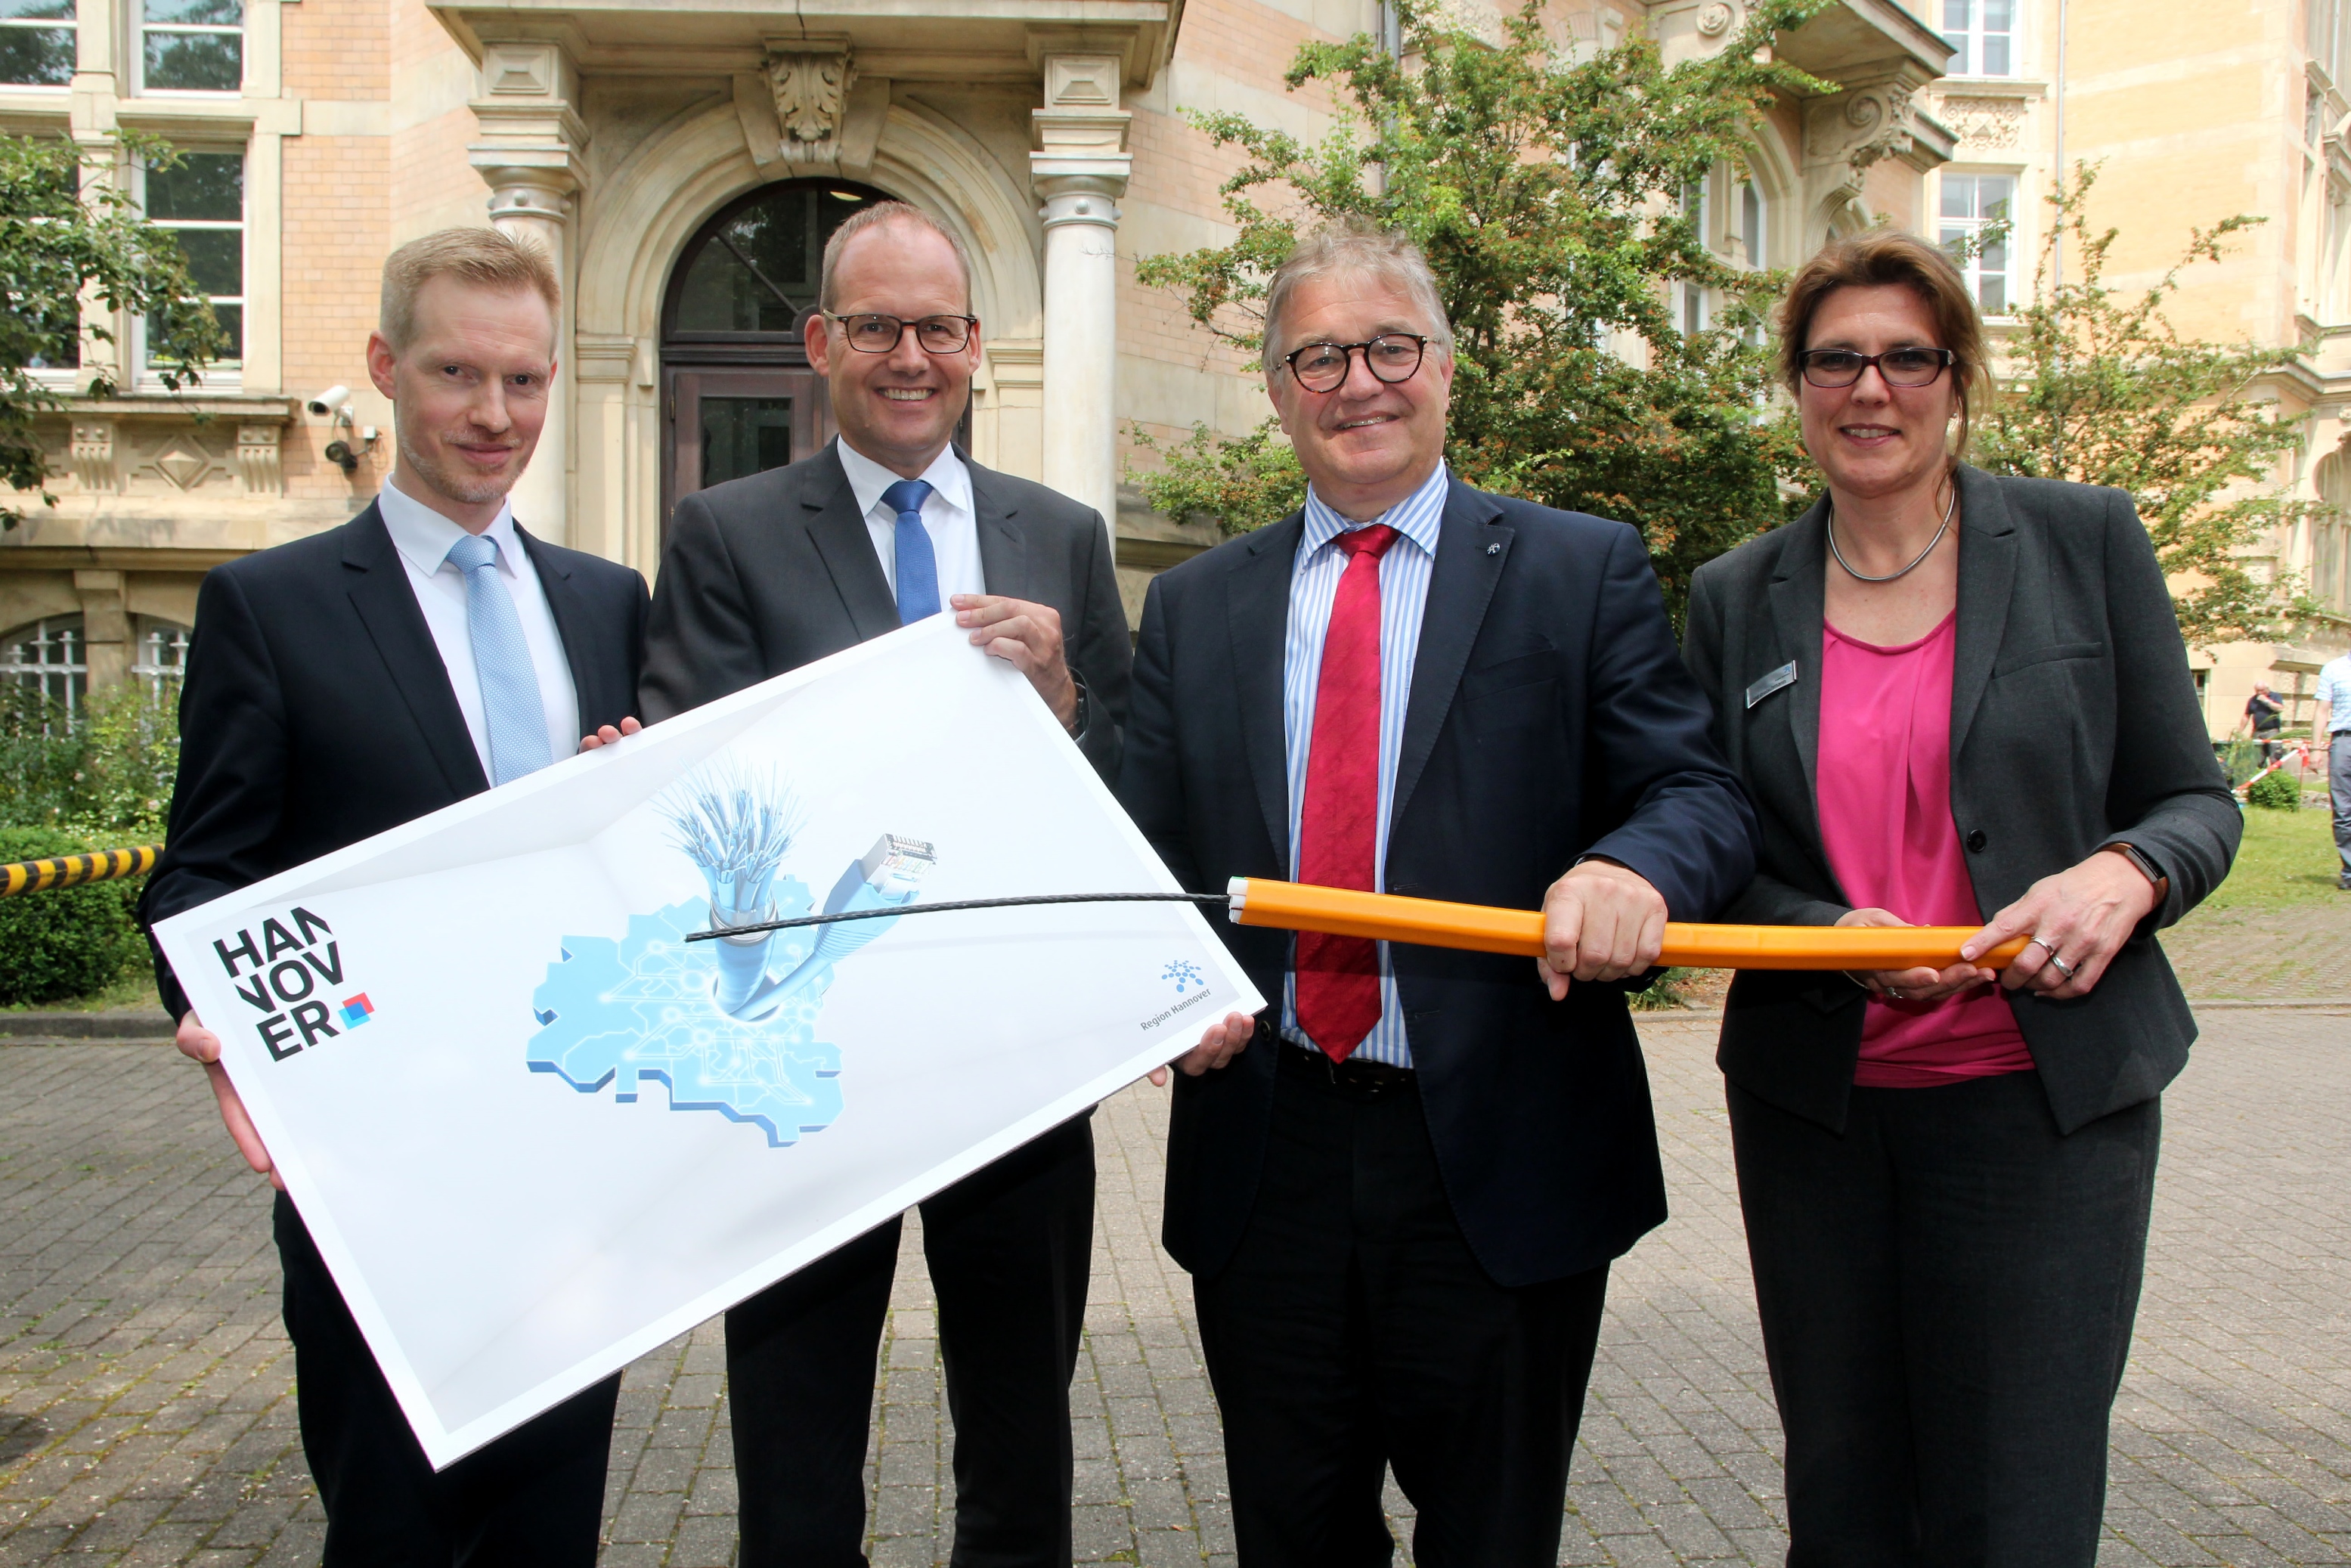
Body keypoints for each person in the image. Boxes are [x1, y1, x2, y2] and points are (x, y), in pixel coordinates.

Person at [1117, 219, 1758, 1566]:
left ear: (1448, 368)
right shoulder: (1195, 604)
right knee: (1294, 1541)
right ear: (1279, 389)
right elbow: (1145, 858)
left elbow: (1695, 791)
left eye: (1390, 348)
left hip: (1503, 1154)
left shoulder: (1578, 568)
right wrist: (1163, 987)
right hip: (1267, 1157)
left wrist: (1631, 865)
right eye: (1319, 356)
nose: (1359, 382)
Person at [1680, 229, 2242, 1565]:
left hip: (2043, 1111)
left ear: (1956, 377)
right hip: (1820, 1116)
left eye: (1906, 357)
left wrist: (2125, 868)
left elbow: (2194, 801)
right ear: (1796, 386)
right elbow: (1712, 841)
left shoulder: (2082, 538)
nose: (1869, 388)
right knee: (1846, 1497)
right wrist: (1823, 934)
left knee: (2018, 1501)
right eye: (1835, 360)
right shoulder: (1736, 594)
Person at [638, 200, 1178, 1568]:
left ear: (976, 343)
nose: (910, 356)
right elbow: (698, 794)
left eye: (937, 327)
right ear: (821, 342)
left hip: (1013, 1057)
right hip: (809, 1061)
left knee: (1021, 1428)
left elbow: (1131, 786)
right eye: (876, 326)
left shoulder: (1062, 533)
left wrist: (1062, 702)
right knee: (797, 1439)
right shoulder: (726, 530)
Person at [138, 228, 649, 1564]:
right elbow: (202, 870)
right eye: (455, 373)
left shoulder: (607, 601)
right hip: (378, 1169)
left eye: (524, 380)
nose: (494, 415)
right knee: (393, 1530)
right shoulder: (272, 604)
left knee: (551, 1534)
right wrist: (212, 1004)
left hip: (575, 1161)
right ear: (383, 364)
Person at [2318, 649, 2351, 888]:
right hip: (2343, 741)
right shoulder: (2333, 668)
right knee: (2343, 811)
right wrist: (2315, 748)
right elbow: (2322, 710)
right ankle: (2350, 872)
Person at [2237, 679, 2285, 765]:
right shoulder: (2253, 700)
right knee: (2257, 757)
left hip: (2272, 731)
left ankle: (2275, 772)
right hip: (2258, 731)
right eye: (2257, 691)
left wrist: (2266, 701)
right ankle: (2259, 771)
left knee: (2275, 755)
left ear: (2267, 689)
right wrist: (2240, 731)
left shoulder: (2275, 696)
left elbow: (2280, 708)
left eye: (2262, 690)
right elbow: (2247, 715)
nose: (2259, 693)